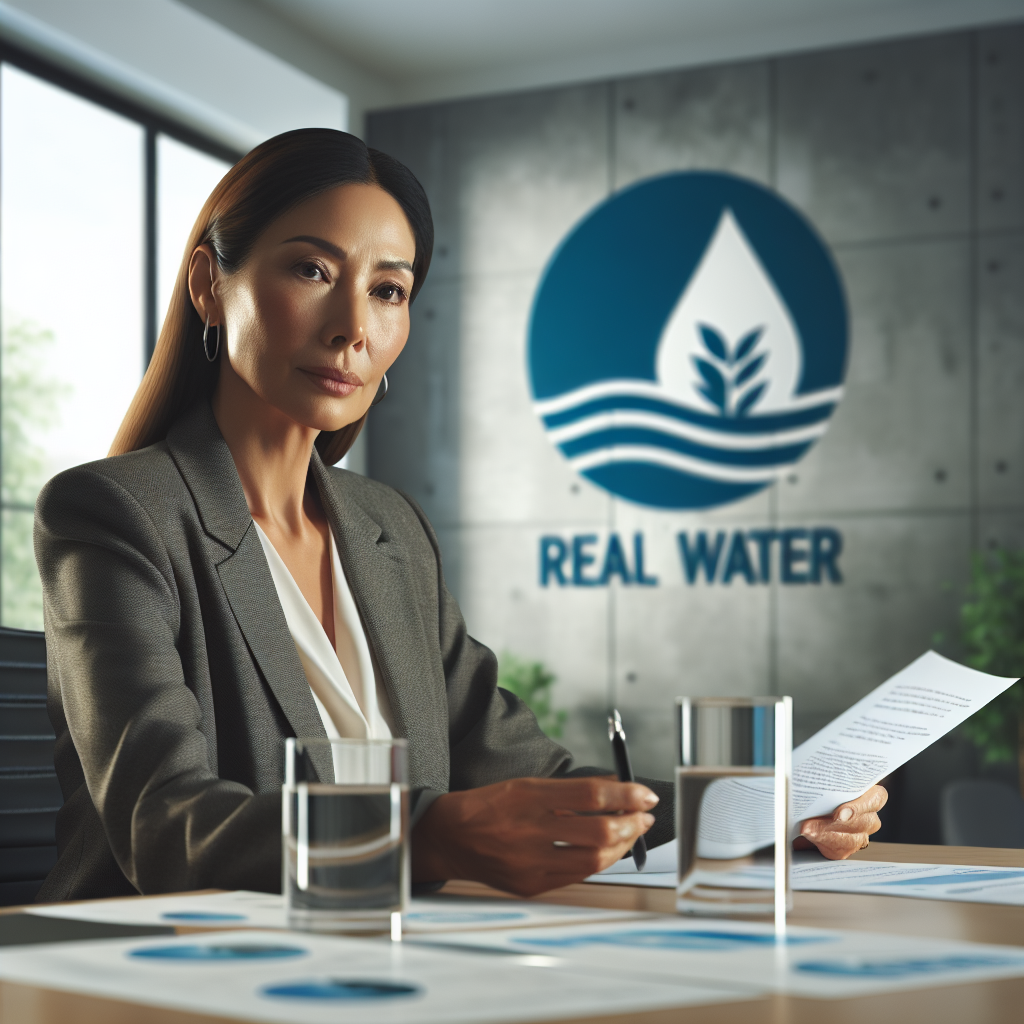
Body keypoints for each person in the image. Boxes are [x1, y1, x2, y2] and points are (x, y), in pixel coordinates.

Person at [34, 129, 886, 903]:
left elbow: (525, 769)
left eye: (389, 289)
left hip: (389, 966)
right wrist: (427, 835)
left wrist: (757, 821)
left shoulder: (387, 529)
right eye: (312, 271)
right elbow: (164, 825)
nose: (352, 327)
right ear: (211, 286)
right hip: (166, 977)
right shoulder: (114, 514)